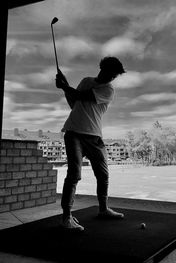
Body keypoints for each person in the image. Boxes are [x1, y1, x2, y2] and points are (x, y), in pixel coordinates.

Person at [55, 56, 126, 231]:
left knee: (103, 175)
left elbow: (82, 96)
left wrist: (64, 86)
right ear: (102, 68)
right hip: (74, 133)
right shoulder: (86, 81)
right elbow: (75, 103)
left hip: (94, 137)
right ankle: (66, 217)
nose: (112, 78)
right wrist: (65, 88)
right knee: (74, 175)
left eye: (115, 76)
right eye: (111, 74)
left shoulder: (108, 90)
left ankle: (103, 209)